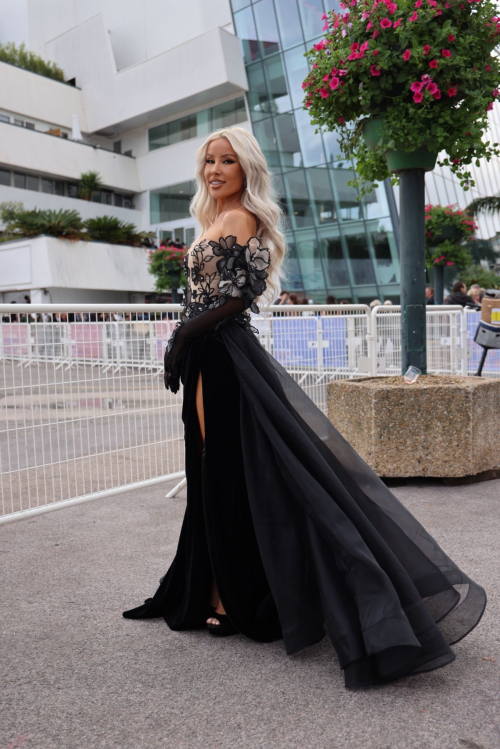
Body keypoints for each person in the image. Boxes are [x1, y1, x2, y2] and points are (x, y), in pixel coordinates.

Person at [122, 126, 486, 689]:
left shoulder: (241, 218)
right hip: (207, 355)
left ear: (246, 170)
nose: (215, 170)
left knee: (231, 473)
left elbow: (239, 299)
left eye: (226, 162)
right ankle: (210, 587)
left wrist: (181, 338)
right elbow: (207, 296)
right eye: (209, 162)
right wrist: (184, 341)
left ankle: (234, 595)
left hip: (224, 360)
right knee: (209, 472)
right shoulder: (212, 221)